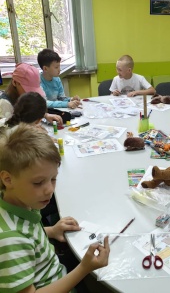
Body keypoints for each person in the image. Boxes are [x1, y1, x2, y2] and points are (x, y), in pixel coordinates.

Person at [0, 124, 110, 292]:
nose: (50, 190)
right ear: (8, 179)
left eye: (53, 179)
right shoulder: (11, 240)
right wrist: (84, 268)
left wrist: (51, 231)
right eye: (38, 182)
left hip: (51, 267)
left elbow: (28, 233)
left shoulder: (22, 200)